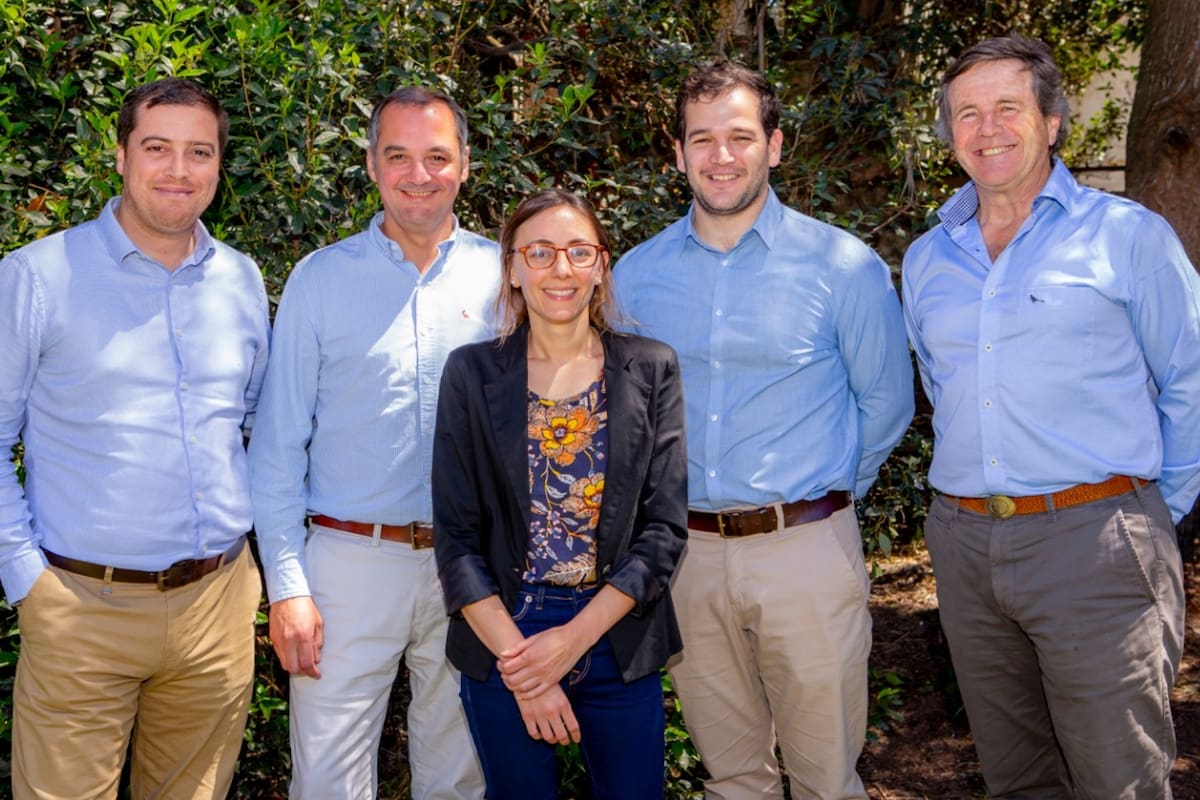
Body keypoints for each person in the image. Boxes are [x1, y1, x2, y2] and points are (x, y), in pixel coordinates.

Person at [902, 34, 1200, 799]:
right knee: (1016, 777)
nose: (987, 127)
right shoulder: (929, 259)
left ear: (1053, 120)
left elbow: (1191, 380)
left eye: (1008, 106)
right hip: (967, 547)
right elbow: (945, 386)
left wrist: (1154, 515)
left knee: (1115, 779)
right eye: (967, 113)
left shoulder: (1126, 236)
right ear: (949, 134)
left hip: (1096, 542)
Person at [612, 61, 914, 799]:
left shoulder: (843, 266)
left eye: (740, 136)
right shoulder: (634, 276)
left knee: (824, 779)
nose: (722, 156)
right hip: (685, 560)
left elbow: (887, 404)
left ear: (774, 146)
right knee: (733, 776)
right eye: (702, 138)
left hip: (804, 552)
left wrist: (824, 501)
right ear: (677, 154)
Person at [0, 78, 268, 799]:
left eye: (199, 152)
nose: (178, 170)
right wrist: (27, 579)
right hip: (81, 608)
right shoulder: (37, 277)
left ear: (219, 166)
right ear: (119, 156)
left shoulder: (241, 281)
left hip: (216, 607)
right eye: (157, 148)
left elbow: (244, 427)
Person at [248, 86, 497, 798]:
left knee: (460, 778)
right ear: (370, 164)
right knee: (327, 783)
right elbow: (275, 450)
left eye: (437, 157)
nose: (419, 174)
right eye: (399, 156)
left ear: (466, 165)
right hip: (347, 566)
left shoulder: (506, 274)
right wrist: (287, 588)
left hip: (471, 570)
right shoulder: (320, 281)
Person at [432, 188, 687, 799]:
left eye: (579, 251)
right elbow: (457, 540)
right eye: (540, 253)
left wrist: (572, 642)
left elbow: (663, 530)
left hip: (616, 631)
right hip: (506, 634)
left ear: (601, 266)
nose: (561, 269)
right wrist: (526, 667)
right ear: (514, 269)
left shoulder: (650, 368)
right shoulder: (471, 374)